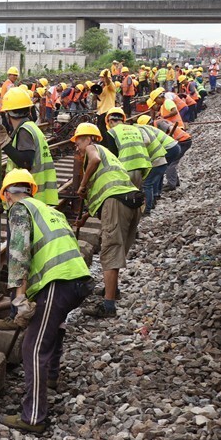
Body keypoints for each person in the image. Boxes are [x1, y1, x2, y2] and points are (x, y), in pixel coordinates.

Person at [0, 169, 91, 433]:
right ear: (30, 189)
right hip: (78, 280)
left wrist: (19, 296)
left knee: (33, 347)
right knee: (54, 326)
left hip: (57, 283)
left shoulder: (19, 209)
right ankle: (50, 377)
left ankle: (33, 418)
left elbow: (19, 252)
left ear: (6, 194)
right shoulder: (50, 210)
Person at [71, 123, 142, 319]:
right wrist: (85, 217)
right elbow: (104, 191)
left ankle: (108, 306)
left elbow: (93, 160)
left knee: (110, 249)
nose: (77, 147)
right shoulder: (109, 156)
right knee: (118, 248)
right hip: (131, 201)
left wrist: (83, 185)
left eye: (78, 141)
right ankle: (113, 290)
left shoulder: (94, 150)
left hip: (116, 203)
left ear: (88, 138)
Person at [0, 87, 59, 206]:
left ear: (8, 114)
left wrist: (4, 143)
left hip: (28, 199)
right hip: (36, 197)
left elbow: (26, 162)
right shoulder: (31, 127)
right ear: (28, 110)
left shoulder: (24, 131)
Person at [134, 115, 179, 214]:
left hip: (168, 149)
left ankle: (151, 202)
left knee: (151, 178)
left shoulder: (142, 130)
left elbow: (147, 143)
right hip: (172, 146)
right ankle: (156, 194)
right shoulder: (150, 128)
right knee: (159, 172)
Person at [102, 107, 151, 189]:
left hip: (126, 168)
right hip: (142, 165)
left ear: (110, 121)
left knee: (126, 196)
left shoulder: (112, 132)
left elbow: (113, 154)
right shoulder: (135, 129)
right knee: (136, 194)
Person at [155, 117, 191, 191]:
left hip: (182, 141)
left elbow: (169, 128)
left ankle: (171, 184)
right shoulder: (159, 122)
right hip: (184, 140)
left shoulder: (158, 123)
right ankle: (175, 181)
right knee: (172, 162)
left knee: (171, 163)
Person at [94, 69, 118, 138]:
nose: (101, 79)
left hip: (107, 111)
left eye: (103, 77)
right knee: (101, 131)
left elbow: (108, 82)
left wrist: (106, 78)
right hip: (100, 112)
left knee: (106, 131)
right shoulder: (101, 88)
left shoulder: (111, 87)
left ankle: (107, 145)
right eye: (101, 77)